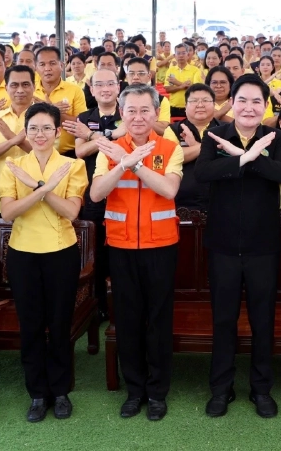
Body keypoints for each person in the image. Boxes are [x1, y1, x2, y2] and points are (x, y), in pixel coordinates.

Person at [195, 74, 281, 418]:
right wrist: (242, 158)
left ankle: (261, 390)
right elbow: (203, 173)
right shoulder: (215, 135)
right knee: (224, 319)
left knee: (262, 320)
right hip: (222, 246)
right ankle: (221, 389)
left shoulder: (275, 138)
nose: (249, 107)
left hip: (262, 247)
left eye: (256, 102)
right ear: (231, 104)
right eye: (243, 100)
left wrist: (249, 154)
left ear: (265, 106)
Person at [90, 84, 183, 422]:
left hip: (161, 247)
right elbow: (97, 194)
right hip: (121, 245)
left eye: (145, 110)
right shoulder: (108, 149)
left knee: (159, 321)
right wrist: (120, 163)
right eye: (131, 110)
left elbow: (169, 189)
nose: (138, 117)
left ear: (156, 113)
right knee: (127, 321)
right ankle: (135, 390)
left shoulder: (170, 148)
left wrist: (133, 165)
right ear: (121, 112)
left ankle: (157, 393)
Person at [0, 102, 88, 422]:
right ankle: (37, 393)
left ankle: (61, 391)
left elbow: (70, 212)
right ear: (26, 131)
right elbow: (8, 213)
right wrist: (48, 190)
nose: (39, 134)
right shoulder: (13, 165)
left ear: (57, 131)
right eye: (33, 128)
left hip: (61, 250)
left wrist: (39, 187)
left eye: (46, 128)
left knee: (60, 324)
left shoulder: (73, 166)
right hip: (23, 252)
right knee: (32, 325)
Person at [61, 68, 121, 320]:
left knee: (120, 254)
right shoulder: (85, 116)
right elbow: (81, 152)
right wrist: (108, 136)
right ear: (92, 90)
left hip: (121, 190)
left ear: (119, 86)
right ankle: (97, 306)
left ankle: (120, 304)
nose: (105, 88)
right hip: (93, 192)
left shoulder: (127, 113)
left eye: (110, 83)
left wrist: (92, 137)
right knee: (95, 252)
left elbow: (127, 142)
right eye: (100, 85)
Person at [0, 65, 35, 252]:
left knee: (30, 253)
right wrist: (15, 141)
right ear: (7, 88)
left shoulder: (44, 116)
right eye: (15, 85)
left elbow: (45, 155)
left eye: (26, 84)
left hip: (34, 197)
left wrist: (10, 135)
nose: (20, 90)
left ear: (34, 87)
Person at [161, 81, 221, 212]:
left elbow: (229, 159)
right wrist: (209, 147)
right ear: (185, 106)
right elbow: (172, 157)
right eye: (194, 101)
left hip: (219, 201)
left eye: (206, 100)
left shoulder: (226, 130)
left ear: (214, 105)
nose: (200, 105)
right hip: (182, 203)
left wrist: (192, 147)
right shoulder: (173, 130)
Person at [33, 47, 87, 158]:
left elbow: (81, 124)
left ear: (61, 66)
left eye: (52, 63)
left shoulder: (75, 90)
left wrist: (53, 111)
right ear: (36, 68)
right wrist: (50, 109)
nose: (47, 68)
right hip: (36, 154)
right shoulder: (30, 91)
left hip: (69, 154)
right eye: (42, 64)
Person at [164, 43, 203, 119]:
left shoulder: (195, 70)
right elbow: (168, 89)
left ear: (188, 55)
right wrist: (182, 86)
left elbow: (195, 90)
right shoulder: (171, 70)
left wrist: (177, 83)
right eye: (178, 53)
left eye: (183, 53)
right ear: (175, 56)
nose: (181, 55)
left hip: (190, 107)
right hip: (173, 107)